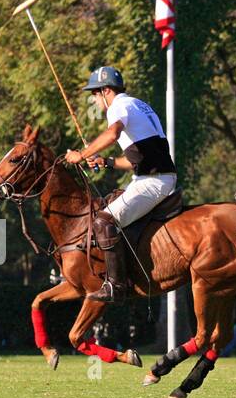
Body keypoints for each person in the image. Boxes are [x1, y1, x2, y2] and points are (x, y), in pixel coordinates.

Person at [64, 66, 177, 303]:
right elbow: (138, 158)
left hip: (153, 182)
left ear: (106, 91)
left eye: (94, 95)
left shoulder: (118, 106)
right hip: (154, 177)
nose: (94, 101)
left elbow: (112, 134)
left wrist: (81, 155)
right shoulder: (139, 105)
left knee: (103, 220)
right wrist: (107, 162)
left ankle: (116, 284)